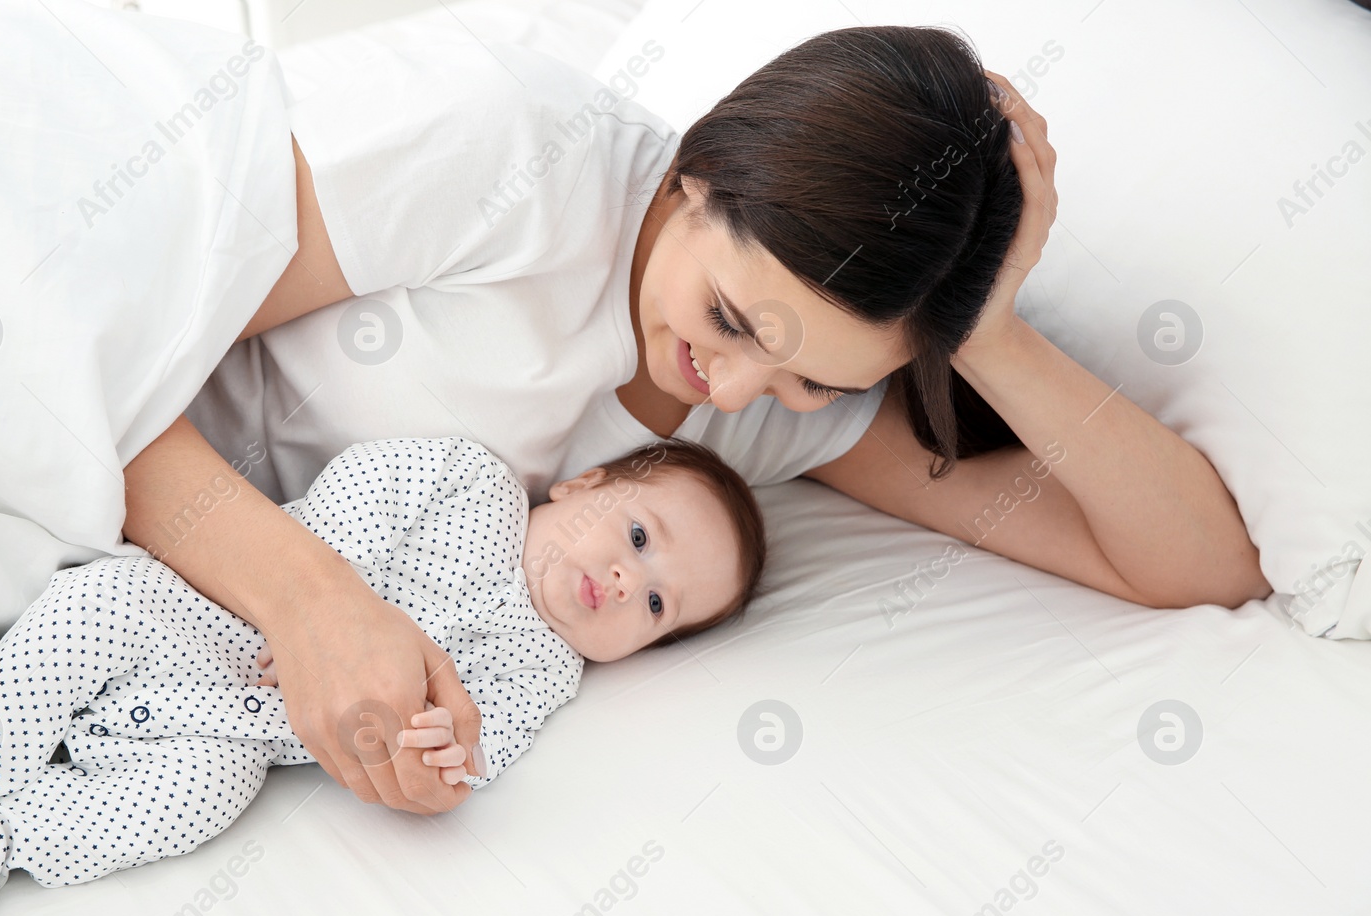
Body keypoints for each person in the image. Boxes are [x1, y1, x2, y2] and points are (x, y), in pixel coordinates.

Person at [126, 26, 1270, 817]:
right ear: (695, 175)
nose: (724, 390)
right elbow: (108, 363)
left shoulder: (768, 416)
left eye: (807, 377)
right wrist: (313, 601)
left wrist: (982, 327)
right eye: (726, 317)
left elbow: (1197, 564)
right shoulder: (508, 149)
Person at [0, 436, 767, 916]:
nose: (621, 582)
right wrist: (320, 605)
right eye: (638, 539)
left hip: (240, 737)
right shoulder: (475, 485)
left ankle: (7, 830)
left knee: (198, 797)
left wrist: (433, 771)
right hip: (205, 611)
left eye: (655, 606)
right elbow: (353, 494)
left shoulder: (544, 671)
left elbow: (470, 752)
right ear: (585, 482)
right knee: (99, 604)